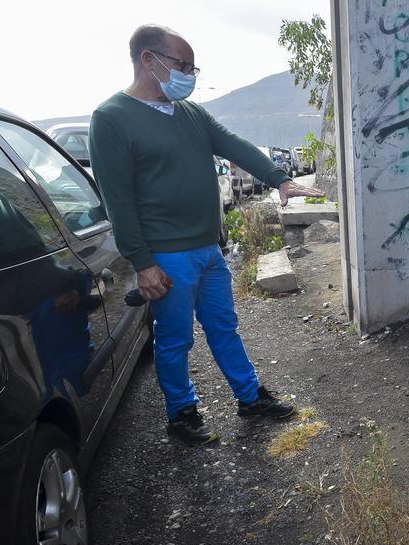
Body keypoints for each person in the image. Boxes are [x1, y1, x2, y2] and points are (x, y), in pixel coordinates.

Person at [89, 24, 325, 444]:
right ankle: (181, 414)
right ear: (149, 59)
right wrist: (143, 264)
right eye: (182, 64)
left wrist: (279, 179)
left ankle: (250, 397)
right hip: (167, 255)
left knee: (223, 326)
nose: (190, 74)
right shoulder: (112, 119)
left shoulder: (191, 113)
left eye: (192, 67)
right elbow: (118, 201)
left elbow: (234, 144)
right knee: (175, 339)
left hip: (208, 249)